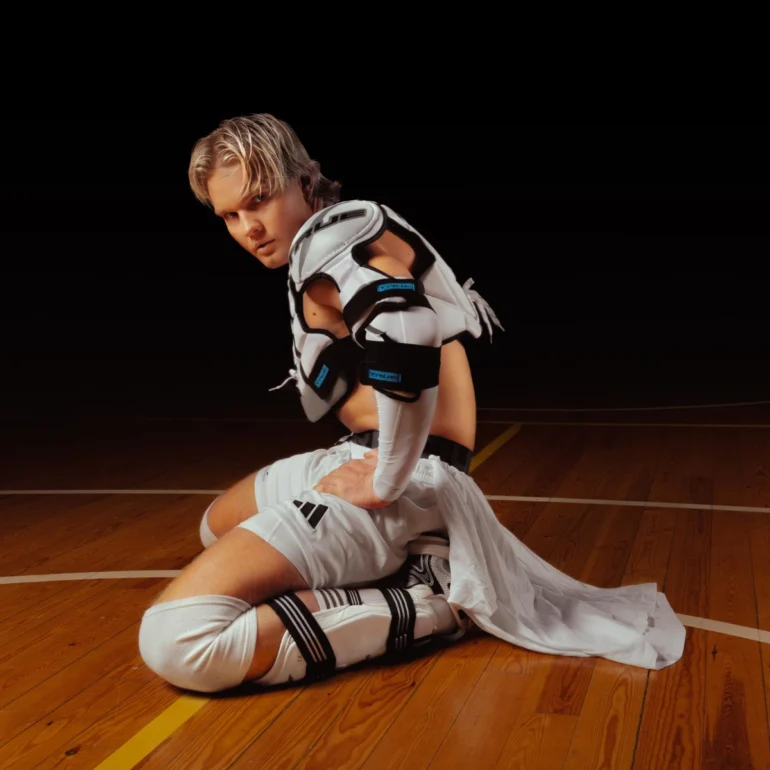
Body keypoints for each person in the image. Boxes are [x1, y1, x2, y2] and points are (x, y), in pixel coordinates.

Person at [138, 114, 685, 694]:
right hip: (367, 452)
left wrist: (387, 479)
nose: (248, 227)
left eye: (259, 200)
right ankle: (408, 555)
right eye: (229, 216)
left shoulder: (329, 241)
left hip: (411, 479)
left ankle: (433, 603)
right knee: (216, 526)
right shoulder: (343, 231)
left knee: (178, 640)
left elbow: (406, 329)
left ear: (303, 181)